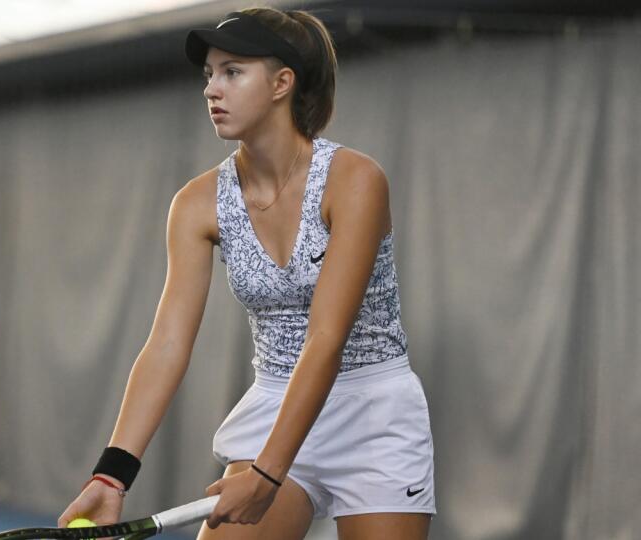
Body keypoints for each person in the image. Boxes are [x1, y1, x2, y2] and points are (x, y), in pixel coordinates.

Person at [58, 7, 435, 539]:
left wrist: (265, 472)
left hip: (374, 411)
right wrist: (113, 474)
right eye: (209, 74)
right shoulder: (196, 204)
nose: (213, 88)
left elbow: (325, 339)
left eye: (233, 71)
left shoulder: (355, 180)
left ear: (283, 83)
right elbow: (166, 343)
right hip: (275, 402)